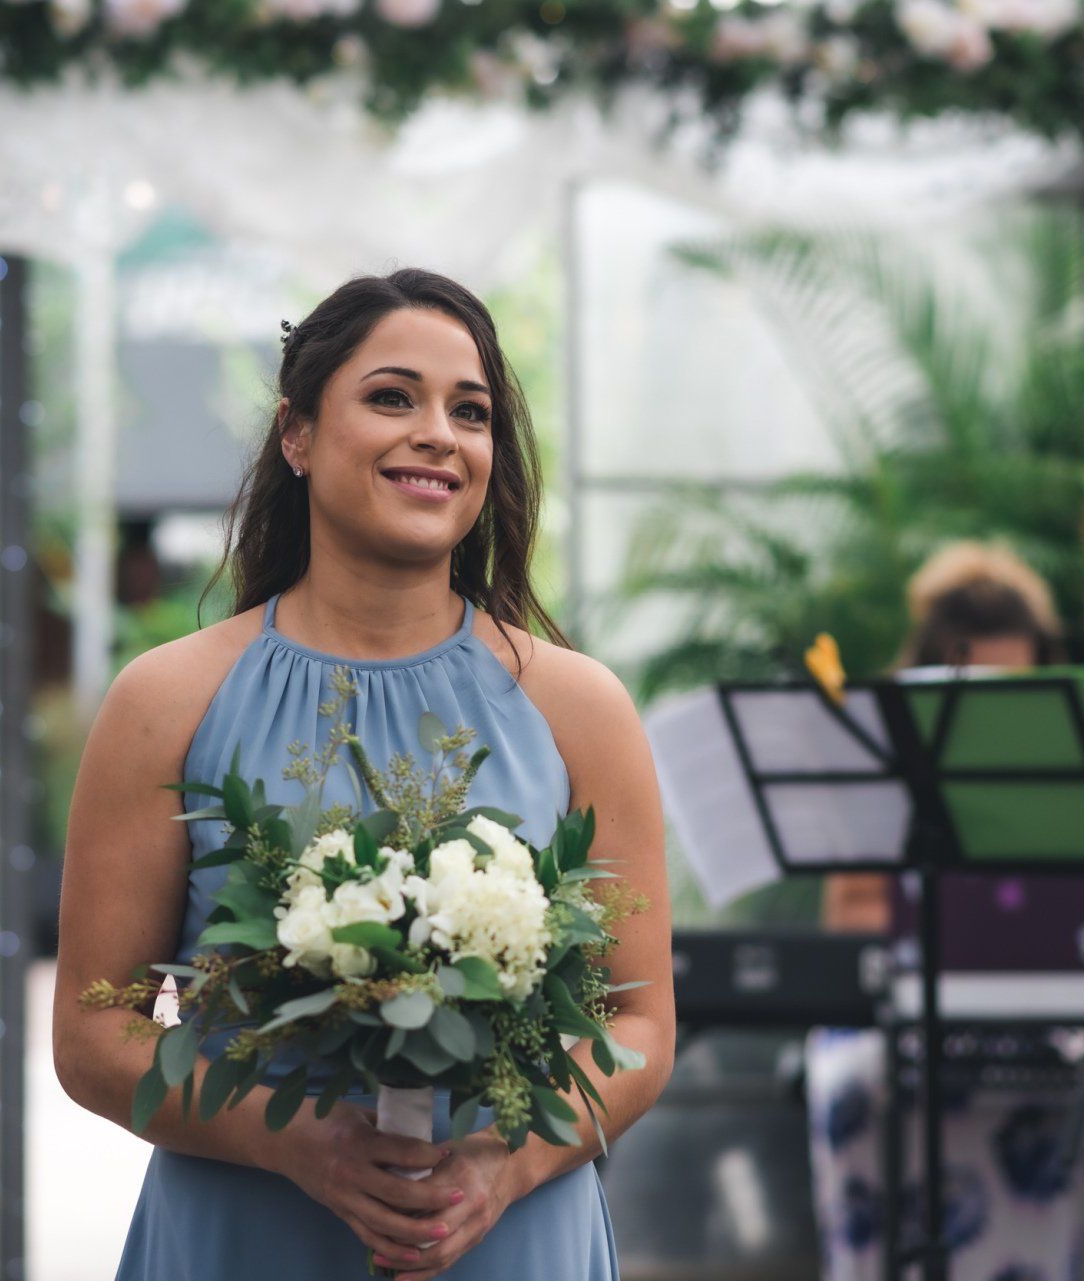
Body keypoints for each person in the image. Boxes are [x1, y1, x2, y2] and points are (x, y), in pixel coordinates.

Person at [51, 269, 674, 1281]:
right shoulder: (163, 702)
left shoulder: (581, 708)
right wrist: (288, 1141)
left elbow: (638, 1019)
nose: (438, 433)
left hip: (509, 1239)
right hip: (247, 1231)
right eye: (393, 397)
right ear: (296, 435)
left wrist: (509, 1169)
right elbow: (92, 1030)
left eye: (469, 413)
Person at [808, 542, 1084, 1281]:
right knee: (856, 1086)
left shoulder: (1074, 752)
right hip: (901, 1016)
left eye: (1019, 685)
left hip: (1042, 1018)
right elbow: (848, 914)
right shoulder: (887, 743)